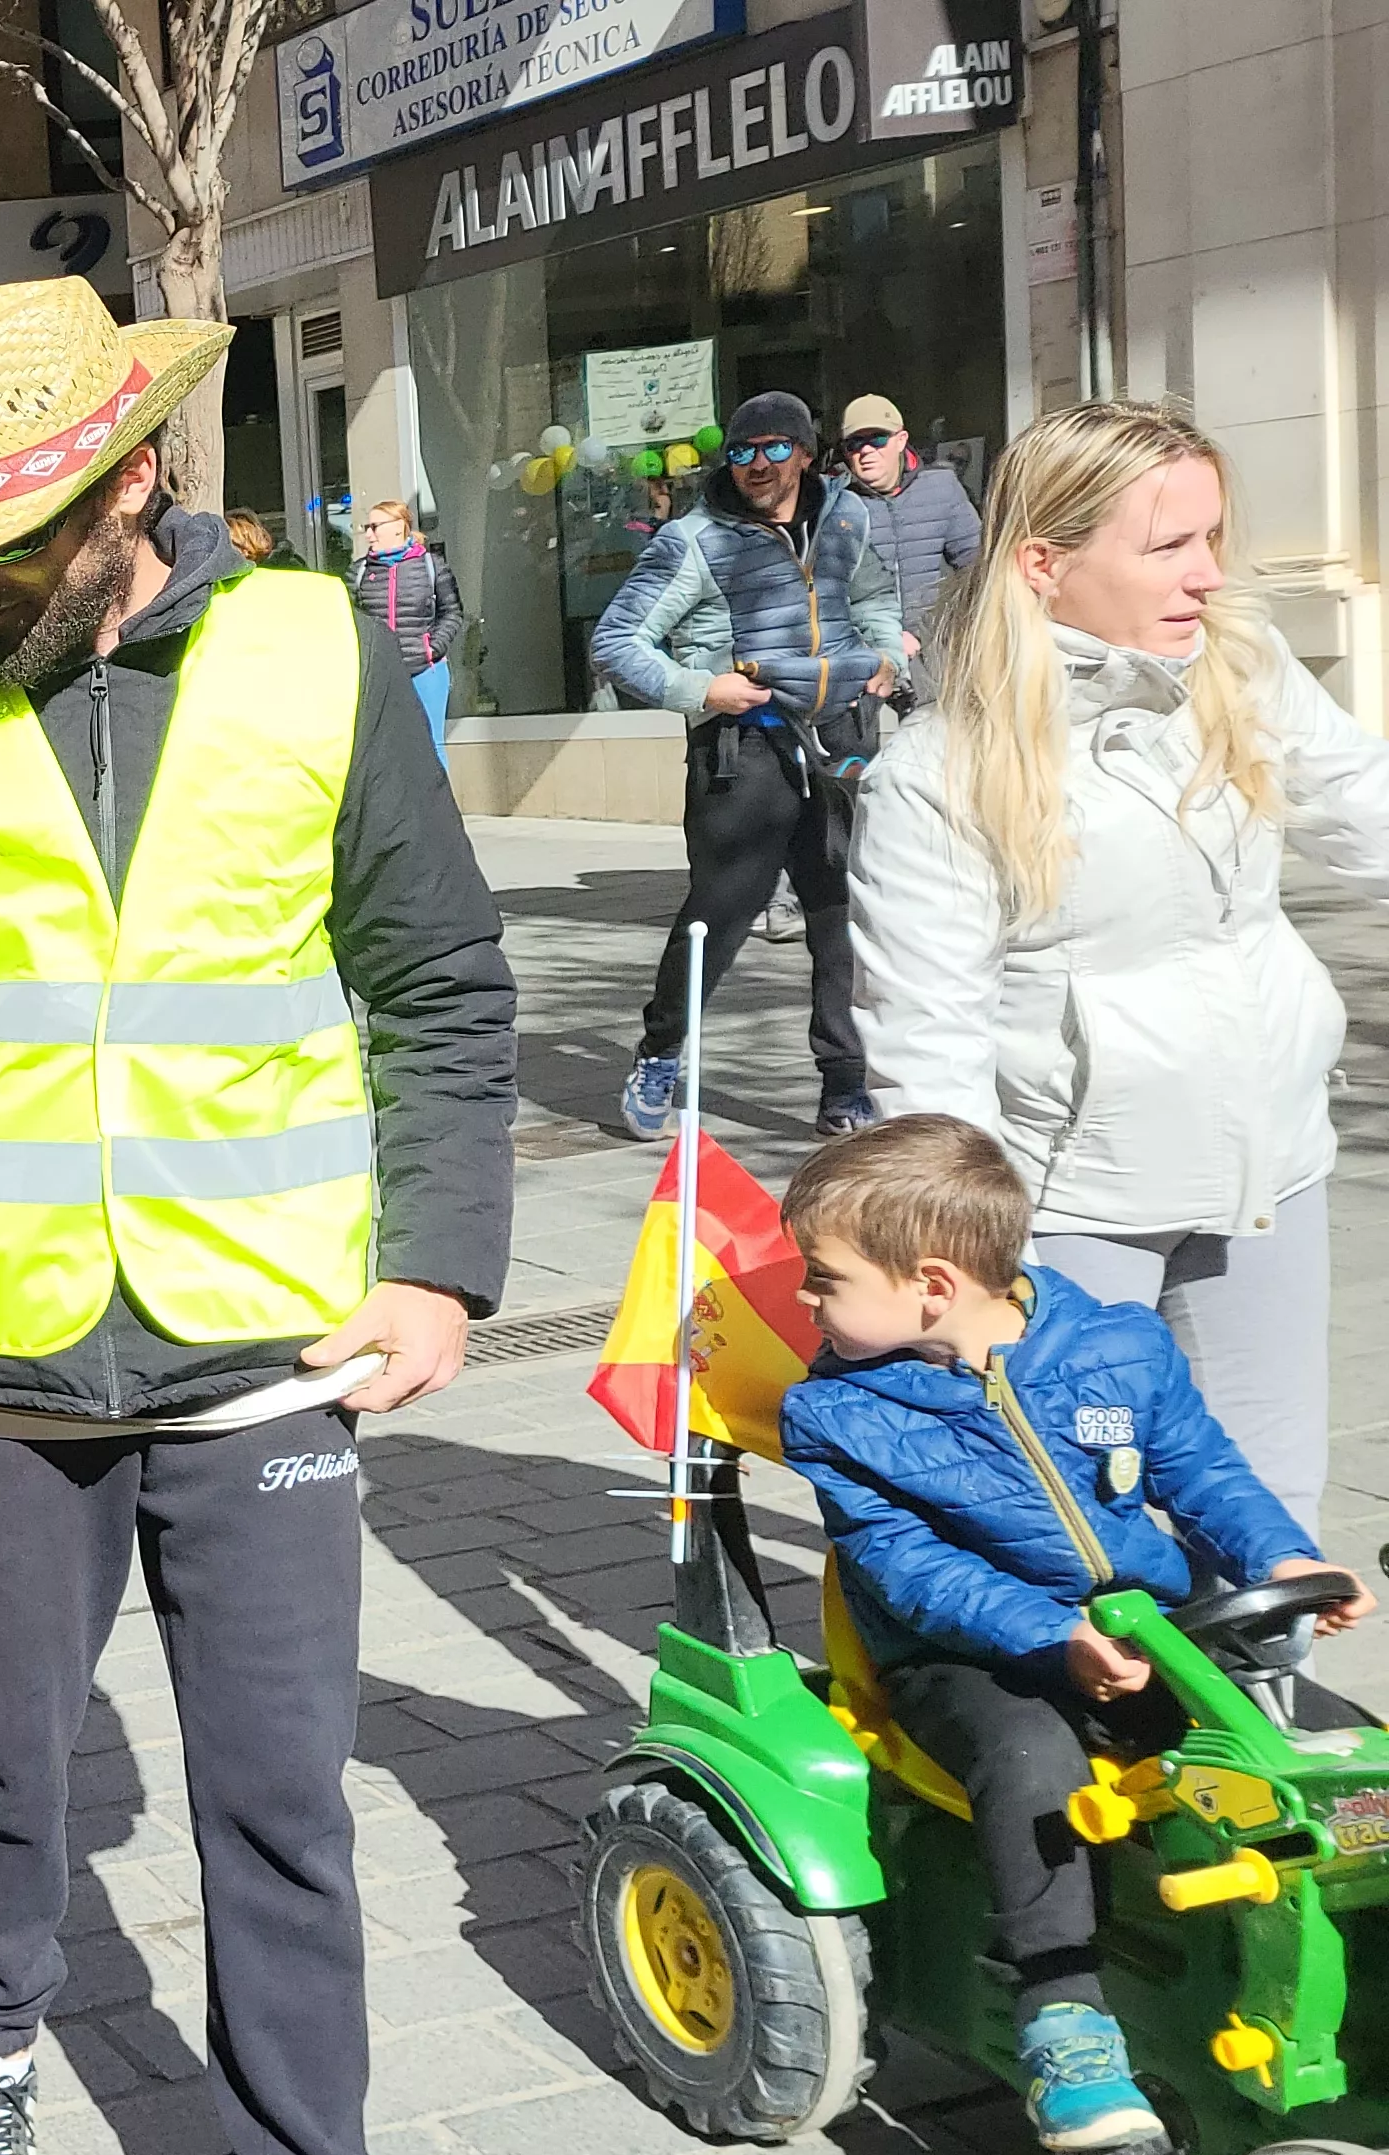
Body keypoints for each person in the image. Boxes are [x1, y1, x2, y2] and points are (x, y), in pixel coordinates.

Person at [0, 277, 517, 2155]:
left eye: (7, 540)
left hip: (267, 1350)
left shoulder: (312, 654)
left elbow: (439, 980)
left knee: (280, 1796)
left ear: (132, 482)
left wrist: (436, 1263)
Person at [777, 1113, 1364, 2155]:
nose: (805, 1301)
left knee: (1322, 1753)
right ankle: (1063, 2012)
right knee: (1030, 1757)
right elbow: (909, 1569)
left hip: (1149, 1626)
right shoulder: (837, 1414)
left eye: (823, 1279)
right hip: (966, 1652)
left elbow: (1203, 1472)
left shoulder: (1116, 1346)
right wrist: (1051, 1635)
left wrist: (1279, 1558)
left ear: (932, 1284)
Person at [853, 395, 1389, 1536]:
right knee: (1086, 1530)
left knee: (1270, 1521)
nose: (1207, 574)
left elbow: (1365, 805)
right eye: (1167, 545)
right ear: (1043, 563)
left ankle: (1265, 1659)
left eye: (1212, 536)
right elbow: (923, 1035)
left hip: (1269, 1162)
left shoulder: (1238, 667)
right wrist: (964, 1257)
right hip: (1073, 1206)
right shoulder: (938, 772)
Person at [595, 390, 904, 1140]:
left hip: (838, 736)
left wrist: (885, 654)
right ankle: (661, 1052)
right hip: (743, 750)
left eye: (773, 449)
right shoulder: (693, 540)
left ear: (806, 455)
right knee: (719, 917)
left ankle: (844, 1084)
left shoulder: (848, 519)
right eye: (741, 452)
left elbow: (873, 598)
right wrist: (702, 689)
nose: (756, 465)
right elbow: (616, 641)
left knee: (839, 917)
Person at [839, 392, 983, 678]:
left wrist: (945, 631)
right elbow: (823, 594)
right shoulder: (836, 504)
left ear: (901, 440)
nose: (866, 450)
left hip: (938, 654)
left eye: (878, 439)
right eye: (854, 443)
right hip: (866, 660)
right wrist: (879, 638)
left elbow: (978, 569)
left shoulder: (942, 488)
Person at [348, 498, 465, 756]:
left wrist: (431, 649)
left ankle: (436, 787)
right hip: (379, 673)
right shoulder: (359, 571)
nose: (368, 535)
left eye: (374, 527)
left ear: (398, 527)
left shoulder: (431, 566)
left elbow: (452, 612)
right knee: (383, 750)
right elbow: (349, 619)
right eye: (367, 527)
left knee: (431, 747)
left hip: (425, 671)